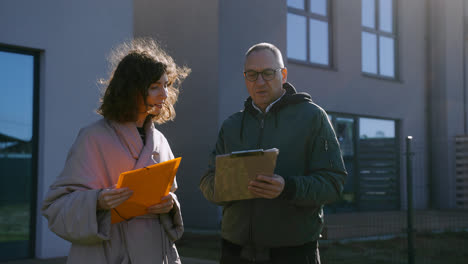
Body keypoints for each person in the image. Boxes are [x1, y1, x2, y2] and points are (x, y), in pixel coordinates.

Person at [42, 38, 190, 264]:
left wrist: (169, 205)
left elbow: (169, 195)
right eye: (155, 87)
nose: (165, 94)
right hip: (108, 254)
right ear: (131, 90)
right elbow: (55, 207)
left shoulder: (160, 140)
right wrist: (98, 201)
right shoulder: (93, 138)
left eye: (166, 85)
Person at [199, 43, 347, 264]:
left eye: (268, 73)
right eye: (252, 74)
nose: (259, 82)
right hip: (234, 253)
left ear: (283, 75)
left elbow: (333, 183)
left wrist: (288, 188)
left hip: (293, 254)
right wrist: (227, 186)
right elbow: (207, 181)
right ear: (245, 77)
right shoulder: (231, 125)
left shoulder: (313, 117)